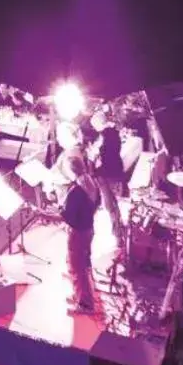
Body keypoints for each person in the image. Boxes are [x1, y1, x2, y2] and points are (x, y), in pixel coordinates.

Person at [62, 156, 99, 315]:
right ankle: (80, 296)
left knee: (77, 268)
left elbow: (67, 216)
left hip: (78, 232)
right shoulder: (90, 181)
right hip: (88, 229)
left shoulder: (76, 190)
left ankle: (85, 304)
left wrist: (44, 213)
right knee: (81, 265)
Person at [89, 111, 127, 232]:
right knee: (114, 202)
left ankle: (117, 231)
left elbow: (102, 154)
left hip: (107, 173)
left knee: (109, 203)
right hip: (114, 170)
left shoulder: (105, 135)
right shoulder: (113, 133)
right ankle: (118, 227)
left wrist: (94, 154)